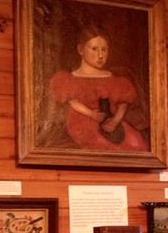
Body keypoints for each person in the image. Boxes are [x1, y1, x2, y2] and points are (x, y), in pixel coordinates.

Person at [49, 23, 149, 151]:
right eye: (94, 49)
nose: (100, 55)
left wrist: (115, 121)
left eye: (104, 49)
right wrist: (91, 114)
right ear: (80, 49)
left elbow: (123, 103)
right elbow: (72, 102)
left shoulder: (116, 79)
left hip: (110, 121)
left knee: (136, 144)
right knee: (104, 146)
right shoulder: (69, 79)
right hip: (83, 122)